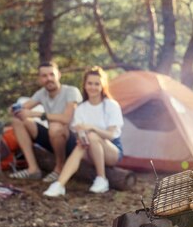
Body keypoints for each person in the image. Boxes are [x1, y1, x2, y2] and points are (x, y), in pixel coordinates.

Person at [44, 66, 124, 196]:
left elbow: (111, 135)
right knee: (82, 144)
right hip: (89, 149)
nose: (93, 87)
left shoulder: (111, 105)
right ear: (85, 85)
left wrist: (92, 128)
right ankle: (59, 184)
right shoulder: (81, 108)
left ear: (102, 86)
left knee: (92, 136)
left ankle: (102, 179)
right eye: (90, 83)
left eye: (96, 84)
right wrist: (82, 136)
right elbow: (78, 131)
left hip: (112, 151)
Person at [9, 62, 82, 181]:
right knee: (18, 120)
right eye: (44, 76)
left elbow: (67, 119)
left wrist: (36, 114)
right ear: (39, 79)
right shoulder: (41, 93)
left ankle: (59, 168)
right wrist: (15, 109)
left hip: (73, 140)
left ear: (59, 75)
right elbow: (24, 108)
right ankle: (33, 169)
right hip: (52, 137)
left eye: (51, 74)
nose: (49, 79)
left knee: (55, 126)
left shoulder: (71, 91)